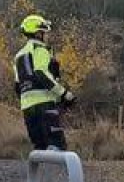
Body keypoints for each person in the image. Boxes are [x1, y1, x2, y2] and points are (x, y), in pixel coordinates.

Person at [12, 13, 75, 150]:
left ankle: (40, 172)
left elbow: (17, 86)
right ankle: (63, 172)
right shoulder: (40, 49)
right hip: (45, 106)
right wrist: (64, 94)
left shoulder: (19, 55)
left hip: (27, 108)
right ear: (38, 34)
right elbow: (42, 73)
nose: (47, 36)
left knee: (39, 148)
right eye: (44, 32)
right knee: (56, 146)